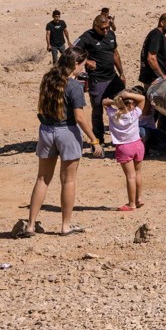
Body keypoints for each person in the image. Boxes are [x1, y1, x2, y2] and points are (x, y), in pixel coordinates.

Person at [14, 49, 96, 237]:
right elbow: (80, 118)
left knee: (42, 178)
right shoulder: (74, 86)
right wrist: (94, 140)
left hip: (46, 131)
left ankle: (31, 225)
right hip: (66, 131)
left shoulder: (48, 79)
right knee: (68, 180)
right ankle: (65, 226)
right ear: (76, 64)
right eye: (82, 64)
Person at [76, 13, 125, 151]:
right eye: (102, 28)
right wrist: (86, 61)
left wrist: (121, 73)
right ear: (95, 26)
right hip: (97, 79)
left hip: (113, 77)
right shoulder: (87, 37)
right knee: (97, 109)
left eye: (107, 28)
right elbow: (71, 51)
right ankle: (98, 140)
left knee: (124, 104)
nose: (105, 31)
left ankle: (122, 137)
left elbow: (115, 54)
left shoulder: (110, 35)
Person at [102, 89, 146, 212]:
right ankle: (139, 198)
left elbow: (104, 102)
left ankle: (131, 204)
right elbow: (142, 98)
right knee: (138, 173)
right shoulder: (134, 114)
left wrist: (116, 101)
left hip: (124, 146)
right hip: (137, 144)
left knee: (130, 176)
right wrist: (128, 95)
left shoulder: (113, 115)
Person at [140, 13, 166, 135]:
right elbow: (151, 58)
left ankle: (155, 136)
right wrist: (161, 75)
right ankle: (150, 137)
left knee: (156, 110)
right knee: (152, 110)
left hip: (155, 78)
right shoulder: (156, 35)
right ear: (162, 22)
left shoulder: (160, 36)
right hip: (154, 79)